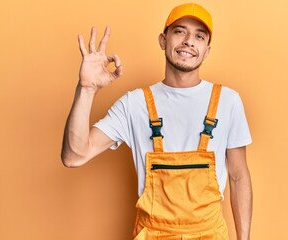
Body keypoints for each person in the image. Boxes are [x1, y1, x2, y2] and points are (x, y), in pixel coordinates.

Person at [61, 3, 252, 240]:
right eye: (180, 31)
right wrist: (86, 89)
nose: (189, 41)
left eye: (199, 36)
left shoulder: (228, 101)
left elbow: (238, 176)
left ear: (207, 50)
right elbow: (73, 156)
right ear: (163, 40)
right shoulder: (134, 104)